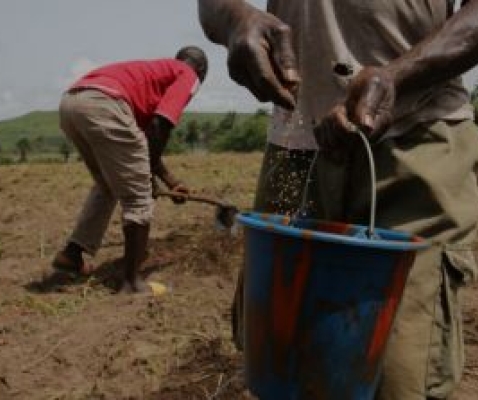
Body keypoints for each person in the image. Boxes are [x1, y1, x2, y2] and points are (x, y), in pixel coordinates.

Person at [197, 1, 478, 399]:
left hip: (413, 134)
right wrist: (234, 20)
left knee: (397, 378)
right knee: (281, 362)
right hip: (294, 146)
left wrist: (399, 76)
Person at [52, 46, 208, 294]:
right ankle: (132, 282)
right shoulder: (188, 74)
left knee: (108, 183)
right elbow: (160, 126)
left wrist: (170, 182)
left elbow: (143, 141)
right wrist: (146, 180)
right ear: (201, 71)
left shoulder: (153, 74)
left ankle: (72, 255)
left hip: (73, 102)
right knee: (138, 198)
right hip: (105, 104)